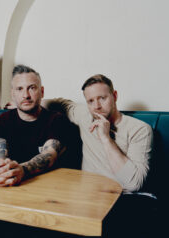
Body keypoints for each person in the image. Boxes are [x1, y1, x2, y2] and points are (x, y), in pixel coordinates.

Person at [43, 74, 156, 237]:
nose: (96, 106)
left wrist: (105, 137)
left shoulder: (139, 130)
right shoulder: (84, 115)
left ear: (114, 96)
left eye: (102, 98)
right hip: (89, 197)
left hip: (124, 198)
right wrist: (26, 104)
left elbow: (134, 183)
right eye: (90, 101)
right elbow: (58, 103)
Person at [0, 65, 69, 186]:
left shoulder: (57, 120)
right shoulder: (2, 122)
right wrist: (1, 170)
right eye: (19, 89)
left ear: (42, 92)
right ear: (12, 94)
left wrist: (22, 170)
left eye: (31, 88)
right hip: (13, 186)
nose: (26, 95)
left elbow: (49, 155)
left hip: (52, 187)